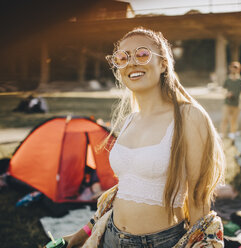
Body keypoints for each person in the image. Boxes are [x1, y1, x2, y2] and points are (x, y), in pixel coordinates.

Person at [63, 27, 225, 248]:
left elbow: (198, 198)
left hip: (161, 242)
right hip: (111, 237)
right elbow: (125, 189)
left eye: (142, 54)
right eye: (122, 57)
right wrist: (83, 233)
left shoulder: (189, 117)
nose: (131, 63)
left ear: (163, 63)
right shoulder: (130, 120)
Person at [219, 61, 241, 139]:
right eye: (233, 68)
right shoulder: (227, 79)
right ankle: (222, 134)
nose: (234, 70)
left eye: (236, 68)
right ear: (230, 69)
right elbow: (223, 90)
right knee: (224, 120)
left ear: (238, 69)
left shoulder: (240, 81)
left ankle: (233, 135)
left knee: (234, 121)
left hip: (236, 104)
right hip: (227, 103)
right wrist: (227, 94)